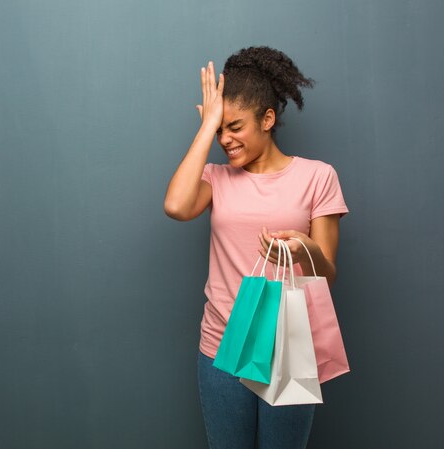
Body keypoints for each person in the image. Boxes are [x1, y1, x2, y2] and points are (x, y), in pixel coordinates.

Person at [163, 46, 349, 449]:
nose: (225, 140)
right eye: (219, 131)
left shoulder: (318, 177)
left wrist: (305, 250)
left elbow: (328, 273)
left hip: (287, 348)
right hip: (220, 349)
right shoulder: (216, 177)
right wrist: (207, 124)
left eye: (235, 126)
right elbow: (176, 206)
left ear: (267, 119)